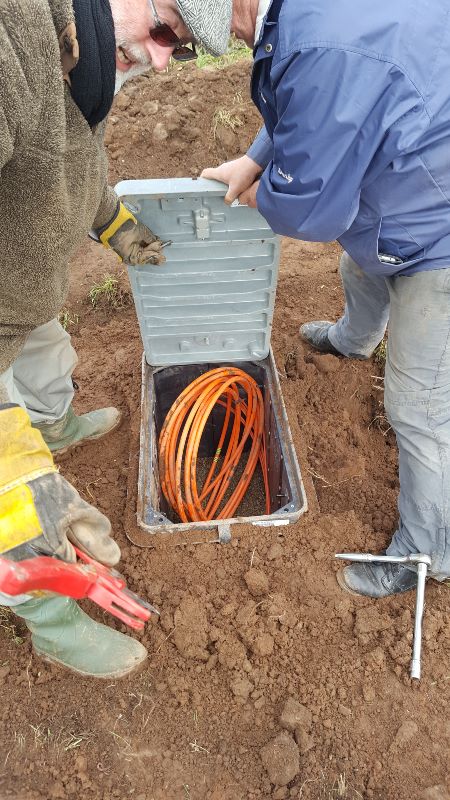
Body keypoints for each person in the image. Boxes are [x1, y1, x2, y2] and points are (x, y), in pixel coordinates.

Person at [0, 0, 231, 678]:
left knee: (48, 360)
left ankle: (54, 422)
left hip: (22, 284)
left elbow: (71, 162)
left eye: (179, 48)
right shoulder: (13, 39)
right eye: (166, 28)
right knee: (18, 501)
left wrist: (116, 225)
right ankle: (50, 618)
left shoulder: (88, 56)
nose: (164, 57)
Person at [202, 0, 450, 598]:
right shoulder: (309, 16)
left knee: (419, 405)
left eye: (211, 30)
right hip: (409, 174)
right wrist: (256, 156)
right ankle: (354, 341)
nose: (227, 42)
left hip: (438, 229)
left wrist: (269, 189)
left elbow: (312, 211)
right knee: (361, 268)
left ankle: (428, 551)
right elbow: (325, 105)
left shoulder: (323, 44)